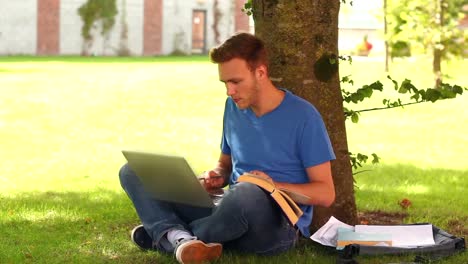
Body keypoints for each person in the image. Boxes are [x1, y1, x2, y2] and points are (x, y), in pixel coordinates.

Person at [119, 32, 336, 263]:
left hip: (275, 225)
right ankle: (183, 240)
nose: (229, 91)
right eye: (225, 83)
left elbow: (326, 194)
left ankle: (170, 236)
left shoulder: (303, 117)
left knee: (248, 193)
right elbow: (225, 164)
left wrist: (271, 187)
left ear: (260, 73)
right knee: (133, 171)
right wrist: (215, 176)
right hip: (227, 209)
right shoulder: (233, 108)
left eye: (236, 82)